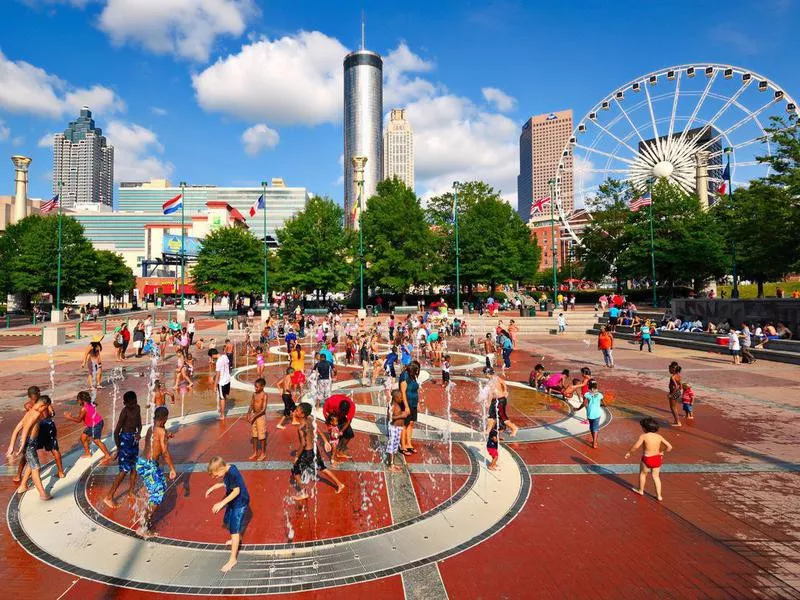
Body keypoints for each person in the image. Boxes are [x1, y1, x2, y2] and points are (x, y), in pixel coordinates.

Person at [135, 406, 177, 537]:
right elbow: (164, 452)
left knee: (162, 485)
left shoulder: (151, 429)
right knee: (157, 495)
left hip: (143, 462)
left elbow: (156, 438)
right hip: (149, 465)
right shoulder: (162, 432)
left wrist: (166, 434)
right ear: (165, 418)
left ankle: (145, 490)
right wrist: (172, 468)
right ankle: (143, 526)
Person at [290, 402, 345, 500]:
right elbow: (318, 429)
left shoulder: (301, 427)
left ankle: (304, 492)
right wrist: (325, 441)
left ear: (302, 414)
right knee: (322, 468)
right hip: (315, 450)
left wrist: (297, 456)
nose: (295, 411)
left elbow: (303, 444)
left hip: (307, 452)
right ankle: (339, 484)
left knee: (296, 471)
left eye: (297, 410)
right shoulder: (310, 419)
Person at [206, 457, 250, 573]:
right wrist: (214, 487)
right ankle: (237, 538)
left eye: (215, 476)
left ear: (221, 469)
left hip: (239, 502)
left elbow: (237, 491)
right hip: (234, 501)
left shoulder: (232, 473)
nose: (215, 478)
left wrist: (221, 503)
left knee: (234, 530)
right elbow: (225, 482)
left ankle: (233, 559)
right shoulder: (228, 467)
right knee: (230, 521)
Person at [6, 396, 52, 500]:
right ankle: (42, 493)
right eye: (45, 408)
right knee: (36, 468)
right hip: (29, 444)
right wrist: (22, 446)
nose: (45, 410)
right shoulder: (35, 414)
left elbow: (16, 429)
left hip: (30, 443)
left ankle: (23, 486)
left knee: (31, 465)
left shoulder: (29, 412)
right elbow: (25, 430)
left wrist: (12, 445)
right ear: (43, 405)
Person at [104, 391, 142, 508]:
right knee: (124, 471)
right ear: (125, 403)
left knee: (135, 467)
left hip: (133, 440)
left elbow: (139, 425)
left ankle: (131, 492)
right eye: (130, 403)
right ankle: (109, 497)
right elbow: (116, 432)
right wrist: (119, 448)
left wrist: (138, 433)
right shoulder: (124, 412)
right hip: (124, 440)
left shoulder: (138, 408)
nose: (133, 405)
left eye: (135, 402)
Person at [625, 417, 673, 501]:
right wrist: (662, 452)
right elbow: (669, 447)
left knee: (643, 474)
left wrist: (629, 452)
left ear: (644, 428)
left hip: (647, 458)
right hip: (657, 458)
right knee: (656, 477)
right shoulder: (659, 436)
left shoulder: (643, 436)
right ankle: (659, 496)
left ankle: (640, 490)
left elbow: (636, 446)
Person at [63, 391, 113, 462]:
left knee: (96, 440)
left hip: (96, 424)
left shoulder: (84, 409)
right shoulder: (91, 404)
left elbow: (79, 420)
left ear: (82, 400)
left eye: (78, 400)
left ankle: (107, 455)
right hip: (94, 424)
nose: (78, 402)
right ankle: (87, 453)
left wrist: (69, 417)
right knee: (83, 438)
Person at [322, 394, 356, 461]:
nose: (343, 414)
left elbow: (348, 421)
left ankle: (339, 450)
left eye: (345, 413)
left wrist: (341, 431)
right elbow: (325, 411)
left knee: (349, 434)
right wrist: (330, 425)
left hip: (340, 418)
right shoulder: (332, 402)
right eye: (342, 412)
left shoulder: (352, 407)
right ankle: (334, 450)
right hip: (333, 415)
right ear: (339, 408)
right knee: (334, 433)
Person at [486, 368, 519, 437]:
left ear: (487, 374)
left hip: (500, 400)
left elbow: (491, 393)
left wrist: (505, 391)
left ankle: (514, 428)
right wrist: (505, 391)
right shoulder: (494, 379)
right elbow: (503, 382)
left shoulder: (494, 380)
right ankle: (488, 431)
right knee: (491, 416)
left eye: (485, 374)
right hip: (495, 400)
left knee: (502, 416)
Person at [399, 361, 421, 455]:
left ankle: (409, 444)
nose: (417, 372)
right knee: (405, 424)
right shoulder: (404, 375)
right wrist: (406, 406)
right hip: (406, 404)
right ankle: (403, 446)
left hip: (413, 403)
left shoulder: (413, 376)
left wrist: (418, 403)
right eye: (416, 370)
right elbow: (403, 392)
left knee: (411, 423)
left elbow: (415, 389)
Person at [385, 389, 408, 471]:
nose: (401, 399)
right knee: (391, 446)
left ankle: (393, 463)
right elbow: (390, 418)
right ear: (395, 398)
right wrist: (401, 416)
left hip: (398, 428)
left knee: (395, 446)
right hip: (393, 428)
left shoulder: (398, 404)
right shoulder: (392, 406)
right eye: (400, 397)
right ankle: (390, 465)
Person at [246, 378, 267, 460]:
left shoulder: (264, 395)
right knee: (254, 435)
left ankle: (263, 453)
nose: (255, 388)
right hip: (254, 415)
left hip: (260, 417)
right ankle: (255, 452)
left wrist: (255, 416)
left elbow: (263, 409)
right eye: (255, 387)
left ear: (262, 387)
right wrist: (248, 413)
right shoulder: (254, 394)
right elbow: (251, 404)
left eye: (257, 387)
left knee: (261, 436)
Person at [580, 380, 604, 448]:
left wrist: (577, 409)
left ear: (589, 386)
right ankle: (595, 442)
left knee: (591, 427)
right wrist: (603, 405)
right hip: (597, 413)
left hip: (590, 413)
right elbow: (604, 404)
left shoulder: (586, 394)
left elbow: (584, 404)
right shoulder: (600, 394)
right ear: (596, 386)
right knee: (596, 428)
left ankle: (594, 440)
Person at [208, 348, 231, 420]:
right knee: (225, 395)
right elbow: (228, 365)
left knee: (222, 398)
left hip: (222, 382)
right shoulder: (224, 356)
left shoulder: (218, 362)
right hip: (228, 379)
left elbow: (218, 375)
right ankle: (223, 409)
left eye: (211, 356)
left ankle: (222, 415)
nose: (211, 358)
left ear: (213, 355)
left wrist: (215, 386)